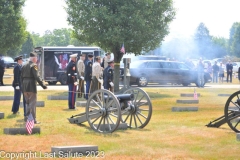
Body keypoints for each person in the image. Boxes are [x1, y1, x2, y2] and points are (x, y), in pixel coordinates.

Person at [21, 52, 47, 124]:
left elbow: (21, 77)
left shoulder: (24, 65)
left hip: (25, 86)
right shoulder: (33, 65)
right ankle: (33, 119)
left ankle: (27, 118)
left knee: (27, 103)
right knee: (32, 103)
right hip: (31, 86)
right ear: (34, 58)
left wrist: (22, 86)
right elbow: (37, 77)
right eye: (36, 58)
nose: (37, 60)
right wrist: (43, 85)